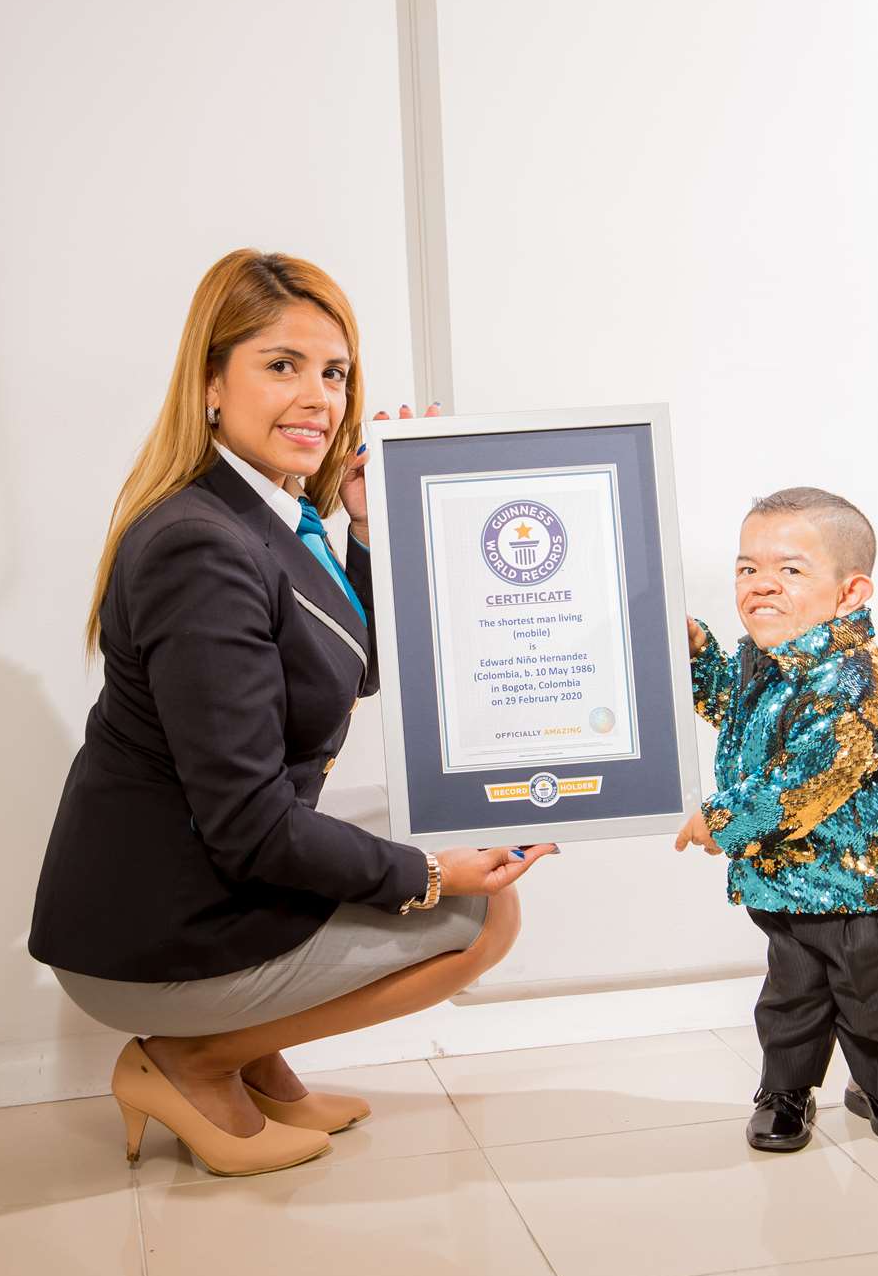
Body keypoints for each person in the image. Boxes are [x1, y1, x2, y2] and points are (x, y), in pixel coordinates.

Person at [28, 249, 555, 1177]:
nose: (319, 396)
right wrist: (429, 874)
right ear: (210, 386)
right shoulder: (203, 544)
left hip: (185, 880)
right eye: (282, 365)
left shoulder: (264, 515)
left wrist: (365, 524)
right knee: (481, 919)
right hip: (158, 924)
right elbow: (247, 828)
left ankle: (254, 1061)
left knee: (445, 846)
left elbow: (353, 669)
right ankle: (194, 1058)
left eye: (335, 371)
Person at [675, 487, 878, 1152]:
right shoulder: (761, 661)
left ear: (849, 593)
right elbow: (730, 710)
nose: (761, 586)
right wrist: (696, 655)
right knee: (791, 1000)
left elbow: (809, 780)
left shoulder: (854, 678)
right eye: (748, 569)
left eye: (789, 570)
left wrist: (723, 818)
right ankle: (786, 1091)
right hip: (792, 883)